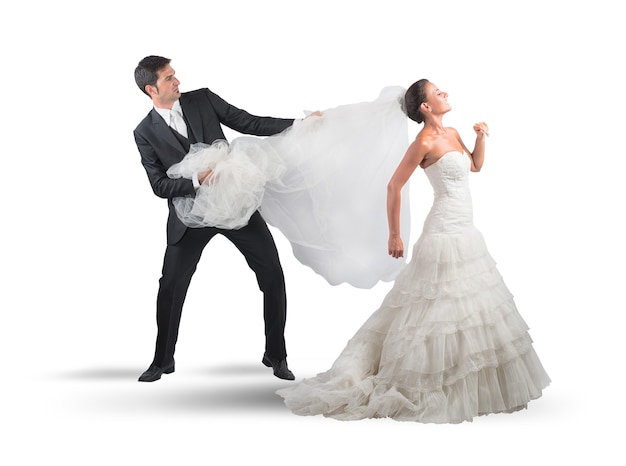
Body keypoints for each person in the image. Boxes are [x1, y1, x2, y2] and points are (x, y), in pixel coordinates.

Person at [275, 79, 551, 423]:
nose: (445, 94)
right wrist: (394, 235)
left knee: (469, 304)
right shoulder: (423, 142)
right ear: (424, 106)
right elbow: (394, 185)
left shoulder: (451, 132)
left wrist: (480, 137)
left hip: (466, 229)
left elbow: (475, 167)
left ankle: (471, 382)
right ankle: (430, 379)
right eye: (438, 92)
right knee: (438, 304)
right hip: (443, 230)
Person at [133, 55, 297, 382]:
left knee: (272, 275)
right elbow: (159, 185)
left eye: (175, 75)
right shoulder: (143, 132)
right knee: (170, 286)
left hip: (235, 206)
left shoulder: (202, 99)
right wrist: (197, 180)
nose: (177, 81)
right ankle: (162, 360)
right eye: (169, 78)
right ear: (152, 89)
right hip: (190, 217)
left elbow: (250, 123)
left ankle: (276, 355)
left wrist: (299, 125)